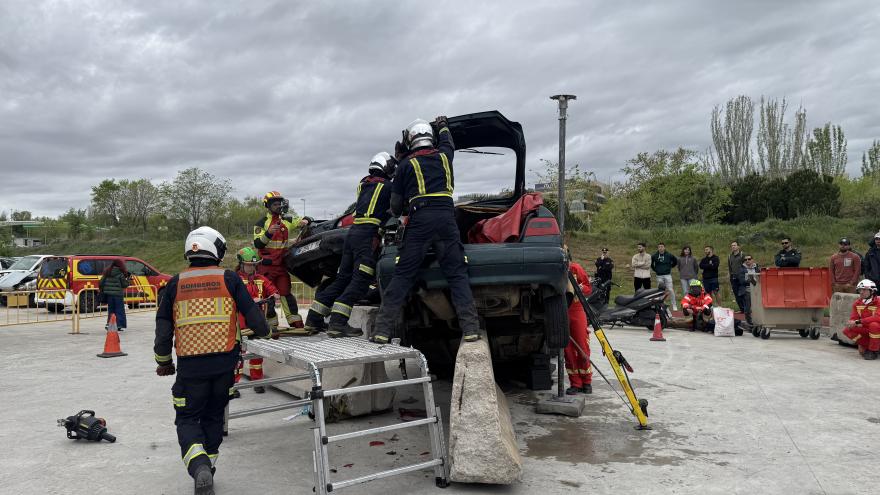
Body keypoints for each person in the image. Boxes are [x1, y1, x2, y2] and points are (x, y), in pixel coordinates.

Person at [154, 227, 270, 494]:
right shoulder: (229, 278)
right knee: (214, 416)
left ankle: (199, 466)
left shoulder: (175, 283)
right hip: (224, 366)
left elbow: (163, 328)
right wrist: (266, 331)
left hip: (190, 368)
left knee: (187, 418)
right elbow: (254, 316)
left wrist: (164, 361)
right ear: (215, 250)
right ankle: (208, 466)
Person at [370, 116, 480, 344]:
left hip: (420, 222)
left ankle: (382, 331)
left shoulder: (405, 166)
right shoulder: (445, 156)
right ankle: (470, 329)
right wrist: (443, 126)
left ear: (410, 140)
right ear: (430, 137)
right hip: (446, 221)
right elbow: (448, 143)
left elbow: (395, 207)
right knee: (457, 274)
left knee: (403, 275)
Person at [305, 152, 395, 337]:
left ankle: (314, 319)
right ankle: (338, 323)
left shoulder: (363, 184)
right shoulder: (388, 187)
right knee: (361, 281)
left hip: (351, 235)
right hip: (367, 236)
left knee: (342, 279)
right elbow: (396, 207)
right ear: (386, 168)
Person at [253, 191, 306, 335]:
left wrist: (306, 220)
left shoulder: (287, 220)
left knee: (286, 294)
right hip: (266, 267)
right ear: (268, 206)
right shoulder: (262, 223)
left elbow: (301, 221)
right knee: (268, 297)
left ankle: (296, 323)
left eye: (279, 204)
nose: (278, 206)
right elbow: (258, 244)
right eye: (275, 204)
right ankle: (270, 326)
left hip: (281, 266)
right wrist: (268, 233)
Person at [233, 247, 281, 396]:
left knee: (257, 355)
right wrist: (250, 301)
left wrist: (275, 296)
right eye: (249, 265)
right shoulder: (234, 280)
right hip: (240, 325)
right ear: (241, 264)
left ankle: (257, 382)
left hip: (257, 324)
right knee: (238, 357)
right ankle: (233, 385)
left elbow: (272, 289)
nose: (252, 268)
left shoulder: (260, 279)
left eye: (254, 265)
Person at [565, 261, 592, 395]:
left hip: (576, 309)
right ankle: (575, 383)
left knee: (582, 345)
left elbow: (588, 287)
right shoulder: (551, 267)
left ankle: (587, 381)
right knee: (567, 350)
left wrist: (581, 288)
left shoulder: (575, 268)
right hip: (561, 311)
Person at [842, 279, 880, 360]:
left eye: (864, 290)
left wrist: (859, 322)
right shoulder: (857, 303)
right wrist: (852, 322)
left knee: (874, 325)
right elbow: (853, 319)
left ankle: (873, 351)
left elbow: (877, 317)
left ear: (872, 291)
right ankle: (870, 346)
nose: (861, 292)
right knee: (848, 329)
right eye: (860, 290)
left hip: (877, 328)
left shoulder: (878, 302)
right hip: (866, 328)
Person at [99, 258, 130, 331]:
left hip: (109, 294)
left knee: (111, 310)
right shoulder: (120, 273)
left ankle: (109, 324)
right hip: (118, 295)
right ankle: (119, 325)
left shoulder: (107, 271)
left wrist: (103, 289)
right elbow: (124, 285)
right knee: (119, 310)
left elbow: (101, 282)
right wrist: (128, 280)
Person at [651, 242, 678, 312]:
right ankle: (661, 305)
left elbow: (675, 261)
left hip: (667, 275)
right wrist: (656, 269)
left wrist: (670, 266)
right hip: (659, 276)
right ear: (658, 248)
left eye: (662, 247)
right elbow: (651, 264)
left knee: (670, 289)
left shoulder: (669, 255)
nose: (660, 248)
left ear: (664, 247)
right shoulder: (654, 256)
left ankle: (674, 305)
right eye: (659, 247)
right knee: (660, 291)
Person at [735, 255, 760, 325]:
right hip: (747, 289)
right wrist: (752, 281)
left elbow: (760, 277)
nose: (747, 261)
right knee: (748, 308)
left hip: (757, 290)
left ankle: (759, 320)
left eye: (749, 259)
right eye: (745, 260)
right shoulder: (741, 269)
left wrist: (753, 280)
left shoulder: (756, 268)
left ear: (752, 260)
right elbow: (742, 281)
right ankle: (749, 322)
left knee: (758, 307)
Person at [728, 241, 746, 313]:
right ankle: (741, 309)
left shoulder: (742, 255)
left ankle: (746, 309)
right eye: (732, 245)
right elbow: (730, 267)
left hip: (742, 277)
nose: (733, 247)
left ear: (738, 246)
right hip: (733, 277)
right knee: (736, 294)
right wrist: (730, 276)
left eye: (734, 245)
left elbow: (745, 265)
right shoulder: (729, 256)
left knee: (743, 293)